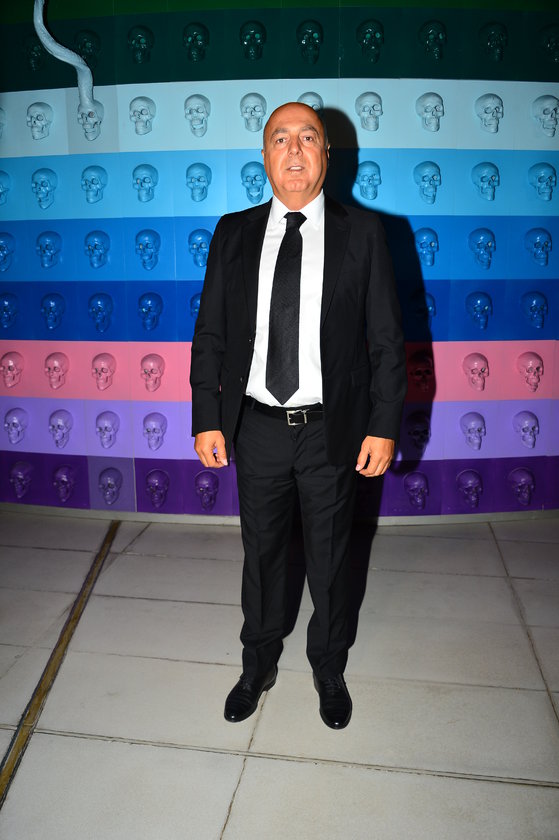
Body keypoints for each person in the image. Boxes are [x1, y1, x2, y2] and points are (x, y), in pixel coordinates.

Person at [190, 102, 407, 729]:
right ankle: (256, 663)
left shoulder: (363, 233)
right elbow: (210, 334)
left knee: (331, 557)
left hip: (331, 429)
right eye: (280, 138)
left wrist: (383, 425)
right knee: (260, 555)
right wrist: (207, 416)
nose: (293, 150)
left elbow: (387, 340)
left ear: (326, 156)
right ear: (264, 156)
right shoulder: (233, 232)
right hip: (256, 425)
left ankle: (329, 666)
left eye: (307, 138)